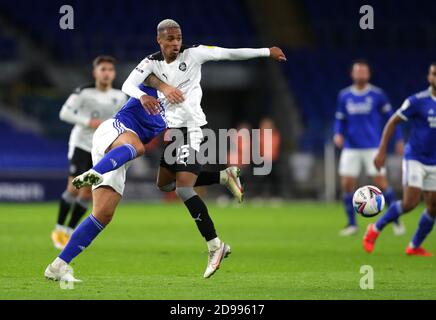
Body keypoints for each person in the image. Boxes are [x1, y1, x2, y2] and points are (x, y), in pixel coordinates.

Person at [65, 19, 285, 279]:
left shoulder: (194, 54)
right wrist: (144, 95)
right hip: (172, 131)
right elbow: (127, 85)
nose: (175, 43)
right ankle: (224, 176)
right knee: (164, 184)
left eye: (178, 38)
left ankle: (215, 245)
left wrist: (265, 51)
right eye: (170, 39)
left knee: (183, 188)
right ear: (159, 40)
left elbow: (228, 52)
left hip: (193, 129)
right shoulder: (151, 63)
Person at [52, 55, 126, 249]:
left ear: (114, 73)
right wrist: (88, 122)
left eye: (110, 70)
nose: (106, 73)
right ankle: (59, 228)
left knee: (86, 194)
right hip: (81, 144)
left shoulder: (120, 96)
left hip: (101, 147)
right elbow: (64, 113)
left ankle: (68, 231)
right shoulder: (83, 92)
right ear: (95, 72)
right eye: (103, 69)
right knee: (73, 188)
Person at [363, 62, 436, 256]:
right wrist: (381, 151)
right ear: (429, 77)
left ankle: (414, 246)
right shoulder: (417, 101)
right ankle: (375, 229)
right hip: (415, 158)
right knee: (410, 202)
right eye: (433, 74)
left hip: (434, 162)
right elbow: (392, 122)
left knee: (433, 207)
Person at [334, 59, 404, 236]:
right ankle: (352, 224)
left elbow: (392, 118)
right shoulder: (344, 96)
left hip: (372, 146)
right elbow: (340, 118)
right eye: (357, 71)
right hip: (351, 147)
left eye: (363, 71)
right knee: (347, 184)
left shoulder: (377, 95)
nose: (360, 74)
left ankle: (396, 221)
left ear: (368, 74)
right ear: (352, 74)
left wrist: (398, 139)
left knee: (381, 183)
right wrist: (338, 133)